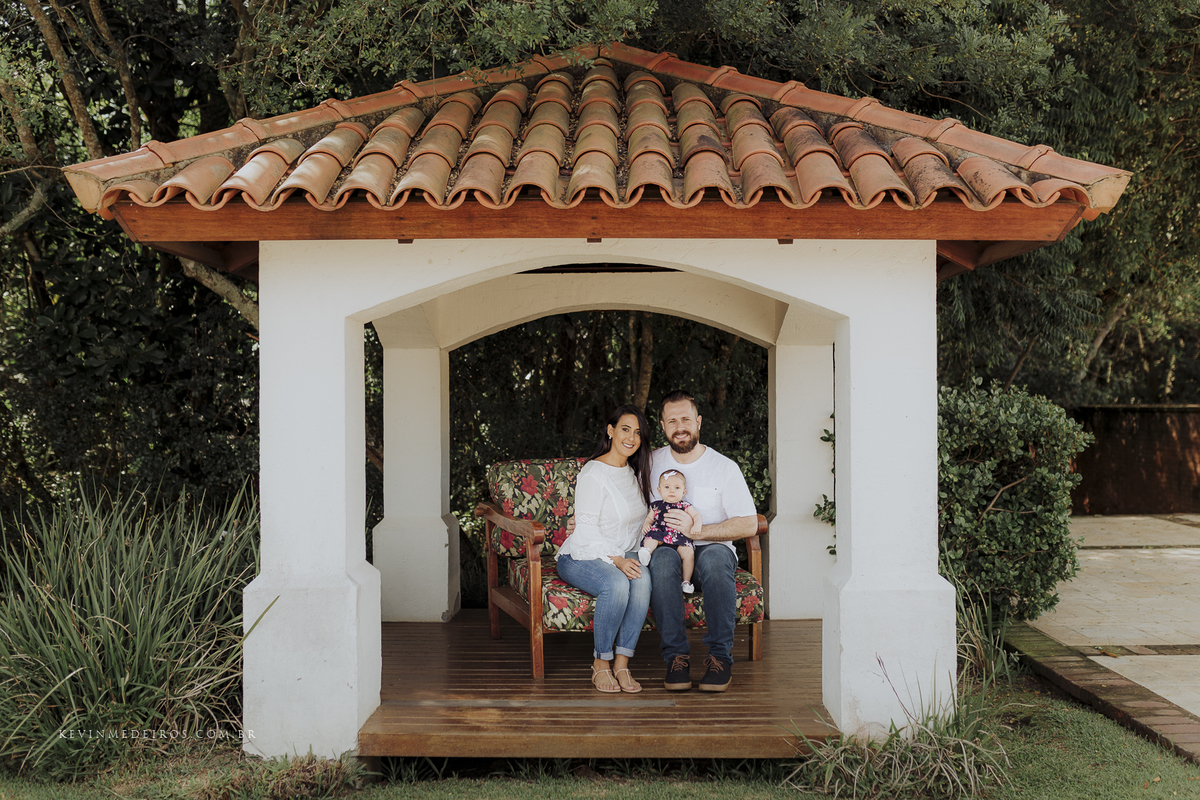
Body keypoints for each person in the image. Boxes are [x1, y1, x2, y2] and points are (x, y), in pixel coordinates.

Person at [647, 390, 759, 693]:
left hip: (712, 548)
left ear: (698, 422)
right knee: (661, 561)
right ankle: (676, 659)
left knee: (715, 560)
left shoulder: (724, 467)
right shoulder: (650, 462)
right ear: (663, 426)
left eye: (685, 419)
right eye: (672, 421)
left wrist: (699, 532)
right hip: (668, 547)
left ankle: (720, 658)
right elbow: (632, 509)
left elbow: (748, 523)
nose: (679, 426)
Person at [555, 404, 653, 693]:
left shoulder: (634, 472)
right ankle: (601, 662)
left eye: (637, 433)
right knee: (617, 584)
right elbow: (585, 531)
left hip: (624, 551)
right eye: (625, 429)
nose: (631, 437)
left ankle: (622, 663)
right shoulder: (593, 473)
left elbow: (636, 526)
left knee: (643, 580)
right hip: (582, 553)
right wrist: (619, 561)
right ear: (610, 431)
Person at [638, 469, 702, 594]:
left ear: (683, 492)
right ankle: (646, 552)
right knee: (651, 536)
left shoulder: (685, 505)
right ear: (659, 490)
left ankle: (686, 581)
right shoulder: (656, 505)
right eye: (667, 487)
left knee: (689, 553)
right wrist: (646, 524)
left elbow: (697, 516)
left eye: (677, 487)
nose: (672, 490)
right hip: (660, 532)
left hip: (680, 536)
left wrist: (697, 526)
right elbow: (650, 518)